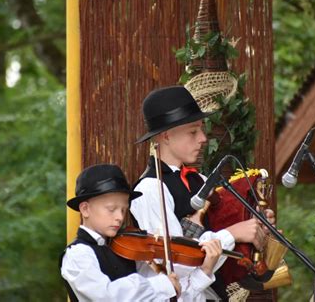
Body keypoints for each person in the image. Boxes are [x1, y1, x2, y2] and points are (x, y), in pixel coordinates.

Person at [131, 85, 275, 300]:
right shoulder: (150, 189)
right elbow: (176, 265)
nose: (203, 138)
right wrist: (233, 233)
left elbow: (224, 241)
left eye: (201, 129)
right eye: (193, 131)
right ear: (166, 136)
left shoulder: (202, 181)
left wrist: (257, 227)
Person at [60, 163, 224, 301]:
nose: (119, 217)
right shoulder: (78, 255)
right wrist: (161, 285)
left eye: (124, 210)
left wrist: (204, 272)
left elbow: (173, 298)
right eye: (111, 209)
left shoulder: (128, 252)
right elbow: (108, 296)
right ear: (85, 209)